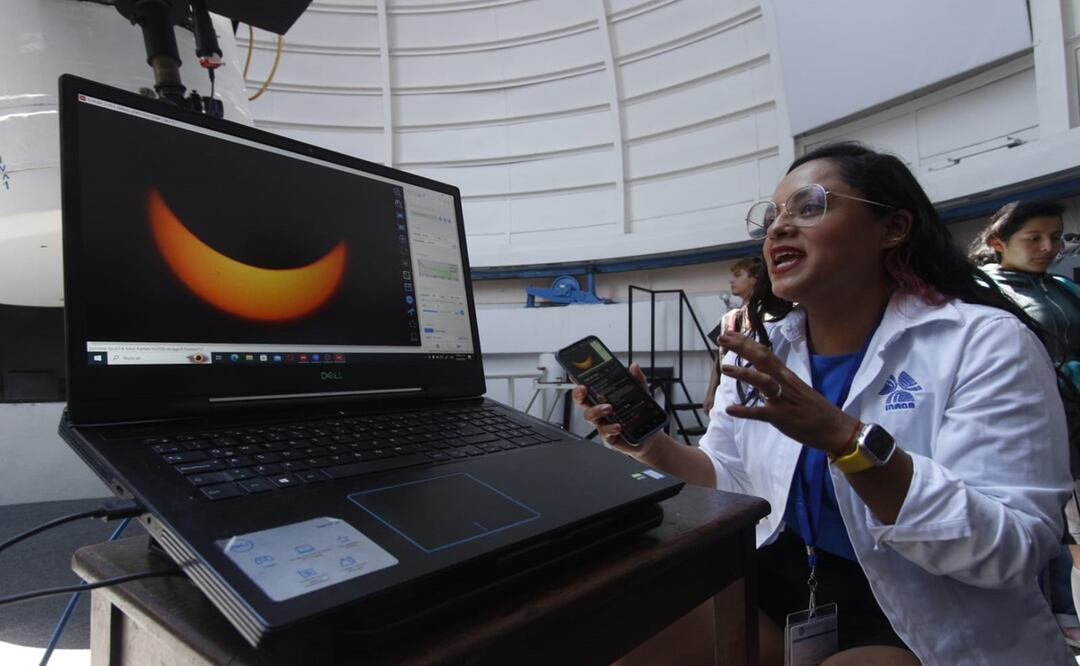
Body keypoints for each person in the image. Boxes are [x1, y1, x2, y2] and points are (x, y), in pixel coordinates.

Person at [575, 142, 1073, 665]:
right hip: (787, 586)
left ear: (893, 228)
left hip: (923, 612)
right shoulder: (765, 349)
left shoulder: (984, 341)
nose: (778, 228)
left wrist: (846, 441)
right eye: (773, 216)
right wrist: (650, 444)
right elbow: (730, 483)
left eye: (809, 206)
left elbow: (1012, 548)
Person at [969, 200, 1080, 645]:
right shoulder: (983, 289)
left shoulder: (1061, 287)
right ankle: (1052, 614)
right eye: (1033, 238)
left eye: (1055, 236)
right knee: (1047, 521)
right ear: (999, 243)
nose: (1048, 247)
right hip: (1034, 424)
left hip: (1075, 419)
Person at [703, 257, 762, 413]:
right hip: (729, 388)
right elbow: (720, 356)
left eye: (737, 275)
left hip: (752, 392)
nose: (731, 280)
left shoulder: (765, 315)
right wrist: (712, 392)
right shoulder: (733, 317)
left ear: (754, 279)